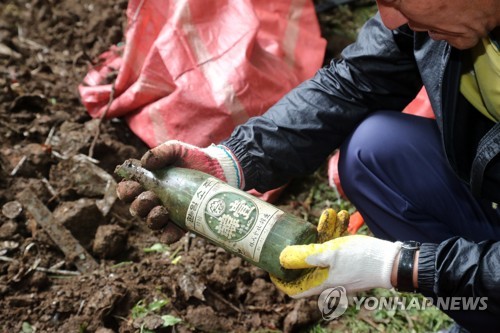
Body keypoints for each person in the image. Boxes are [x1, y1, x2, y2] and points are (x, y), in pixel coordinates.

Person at [116, 0, 500, 331]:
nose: (390, 19)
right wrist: (229, 162)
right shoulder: (427, 19)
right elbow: (354, 81)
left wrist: (403, 265)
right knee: (375, 151)